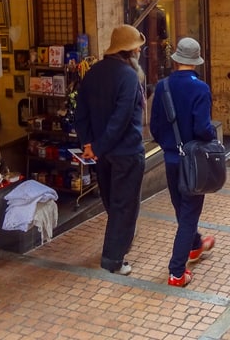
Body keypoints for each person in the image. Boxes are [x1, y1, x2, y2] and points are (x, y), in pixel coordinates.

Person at [76, 24, 147, 276]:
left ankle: (119, 243)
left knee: (111, 202)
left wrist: (89, 145)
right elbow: (121, 119)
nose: (139, 49)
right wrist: (97, 145)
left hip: (101, 155)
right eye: (137, 45)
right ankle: (113, 259)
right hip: (125, 153)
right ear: (128, 50)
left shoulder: (93, 72)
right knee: (124, 206)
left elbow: (80, 112)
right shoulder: (128, 76)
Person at [150, 37, 217, 287]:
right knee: (189, 212)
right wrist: (211, 137)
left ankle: (196, 245)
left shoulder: (162, 86)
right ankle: (177, 272)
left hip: (170, 158)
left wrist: (169, 145)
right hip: (194, 162)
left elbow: (155, 126)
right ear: (195, 62)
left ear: (177, 60)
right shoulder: (201, 88)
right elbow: (203, 128)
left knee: (182, 209)